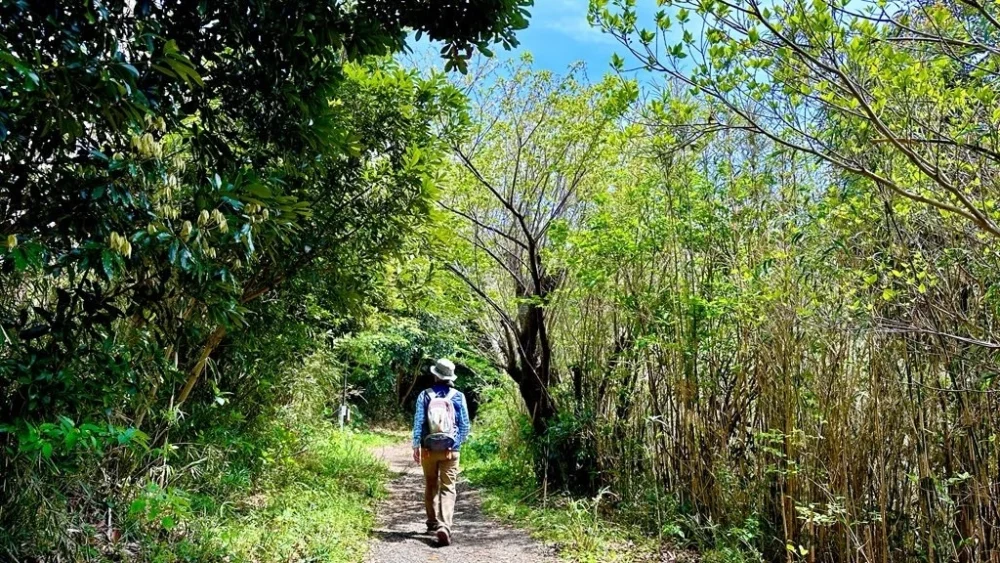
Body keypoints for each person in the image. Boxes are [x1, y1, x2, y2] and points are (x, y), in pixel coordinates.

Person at [412, 358, 471, 546]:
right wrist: (457, 444)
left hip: (428, 449)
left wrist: (416, 445)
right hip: (450, 450)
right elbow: (465, 425)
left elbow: (419, 422)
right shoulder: (458, 396)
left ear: (435, 375)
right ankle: (444, 526)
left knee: (431, 484)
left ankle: (432, 522)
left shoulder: (424, 395)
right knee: (448, 487)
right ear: (450, 377)